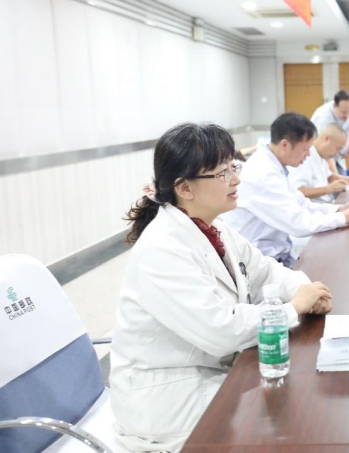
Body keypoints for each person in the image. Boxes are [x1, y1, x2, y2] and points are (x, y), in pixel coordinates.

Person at [111, 123, 333, 452]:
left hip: (212, 372)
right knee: (289, 420)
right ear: (185, 188)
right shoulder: (161, 249)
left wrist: (307, 290)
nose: (236, 179)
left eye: (233, 167)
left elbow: (266, 271)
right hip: (170, 402)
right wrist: (292, 308)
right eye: (222, 173)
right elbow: (221, 330)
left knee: (298, 401)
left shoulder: (216, 229)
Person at [222, 113, 349, 268]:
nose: (308, 154)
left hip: (277, 255)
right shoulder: (263, 173)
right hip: (258, 264)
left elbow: (300, 203)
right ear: (285, 145)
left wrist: (338, 209)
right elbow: (298, 223)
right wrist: (344, 217)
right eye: (305, 149)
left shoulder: (275, 166)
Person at [288, 123, 349, 203]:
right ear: (327, 139)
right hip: (314, 207)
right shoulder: (305, 158)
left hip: (327, 204)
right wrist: (328, 189)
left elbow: (329, 177)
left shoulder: (321, 156)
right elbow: (299, 191)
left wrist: (348, 179)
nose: (337, 153)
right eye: (338, 149)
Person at [311, 89, 349, 174]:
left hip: (337, 154)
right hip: (324, 158)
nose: (347, 115)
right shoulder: (322, 118)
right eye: (344, 112)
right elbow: (323, 149)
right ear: (335, 106)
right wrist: (336, 176)